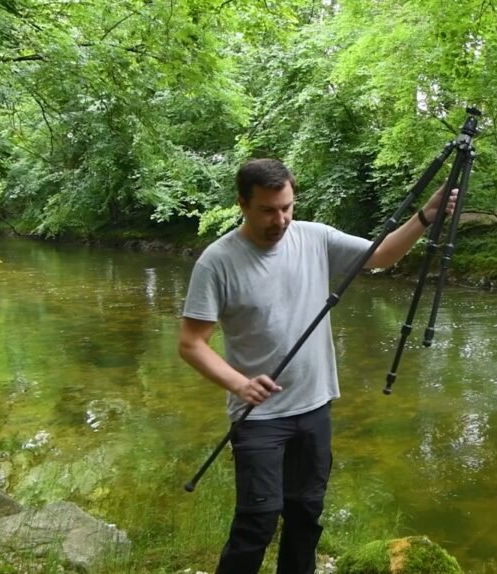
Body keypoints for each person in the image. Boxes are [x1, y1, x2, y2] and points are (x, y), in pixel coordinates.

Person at [178, 158, 455, 574]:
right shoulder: (217, 262)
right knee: (258, 520)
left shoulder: (315, 238)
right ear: (242, 204)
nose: (281, 219)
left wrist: (426, 216)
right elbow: (191, 344)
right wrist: (239, 384)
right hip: (258, 417)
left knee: (305, 516)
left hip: (314, 407)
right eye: (268, 210)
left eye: (287, 207)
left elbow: (380, 256)